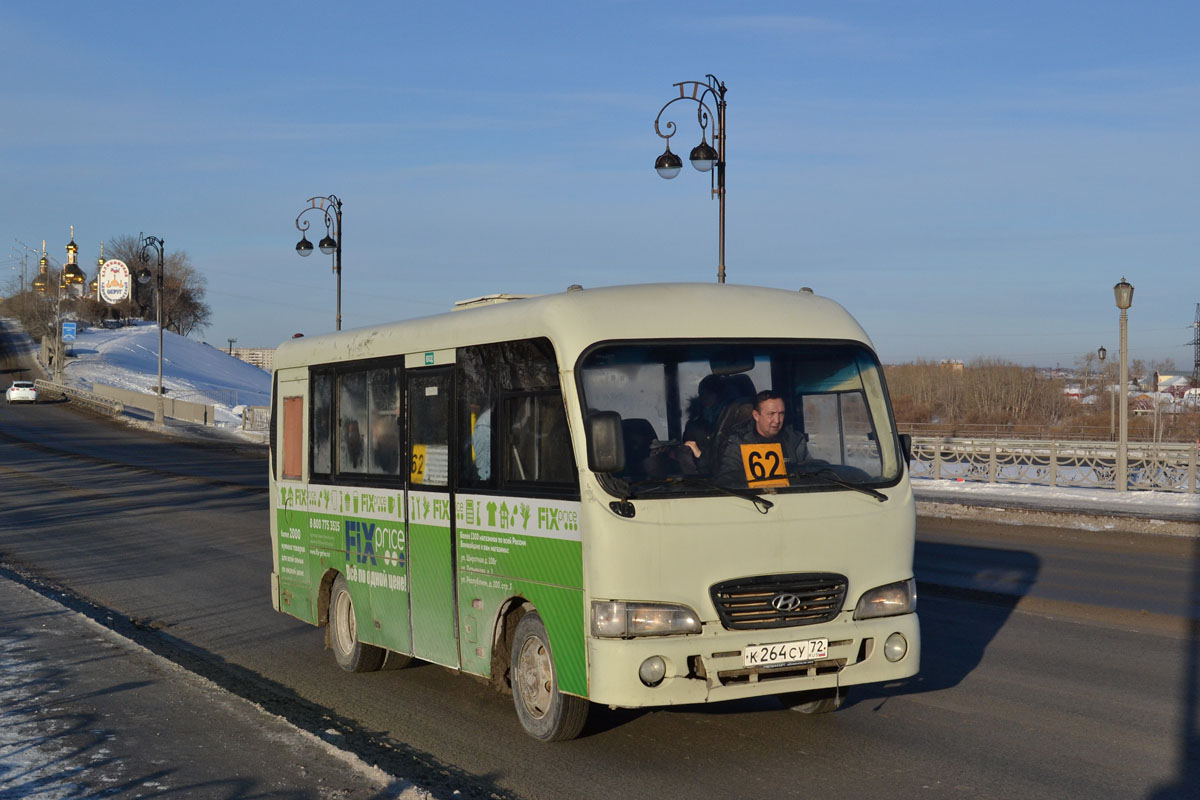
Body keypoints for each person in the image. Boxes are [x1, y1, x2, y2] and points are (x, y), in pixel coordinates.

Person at [716, 390, 809, 487]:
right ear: (756, 415)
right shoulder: (738, 442)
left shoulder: (795, 440)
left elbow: (809, 475)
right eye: (771, 414)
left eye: (781, 414)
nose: (777, 420)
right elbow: (727, 480)